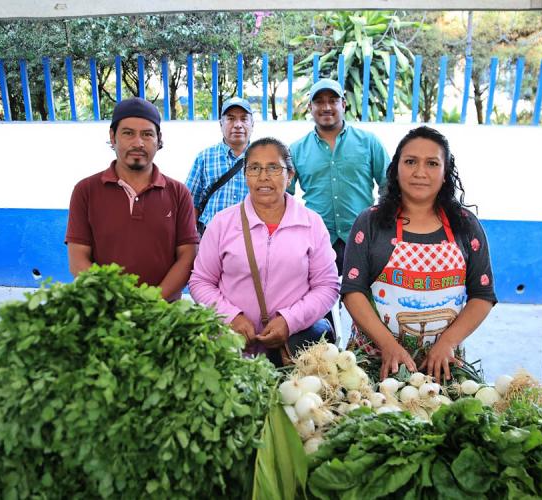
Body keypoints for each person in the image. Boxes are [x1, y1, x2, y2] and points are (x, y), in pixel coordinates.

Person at [341, 126, 497, 382]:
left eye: (432, 163)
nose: (420, 172)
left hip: (443, 368)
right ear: (396, 169)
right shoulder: (370, 222)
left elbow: (482, 295)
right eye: (410, 161)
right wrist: (388, 345)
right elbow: (352, 290)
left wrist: (448, 342)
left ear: (445, 173)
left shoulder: (466, 225)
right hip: (372, 364)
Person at [189, 137, 340, 366]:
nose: (263, 177)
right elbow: (201, 281)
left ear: (290, 175)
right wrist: (231, 317)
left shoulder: (311, 223)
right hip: (231, 351)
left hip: (290, 356)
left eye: (273, 168)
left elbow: (327, 286)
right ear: (245, 176)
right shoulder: (222, 223)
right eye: (254, 168)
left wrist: (290, 321)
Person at [65, 98, 199, 301]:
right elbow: (78, 260)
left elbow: (187, 257)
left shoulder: (179, 193)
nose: (138, 143)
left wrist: (152, 301)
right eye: (128, 133)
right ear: (113, 136)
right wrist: (116, 303)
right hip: (105, 312)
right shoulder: (85, 191)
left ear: (158, 139)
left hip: (165, 313)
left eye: (147, 134)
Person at [289, 78, 390, 274]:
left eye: (333, 100)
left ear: (343, 104)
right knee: (319, 302)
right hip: (316, 240)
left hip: (363, 237)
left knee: (361, 301)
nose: (326, 107)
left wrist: (380, 223)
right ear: (310, 107)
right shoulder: (296, 150)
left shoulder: (369, 142)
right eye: (319, 101)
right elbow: (283, 194)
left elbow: (389, 184)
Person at [186, 97, 254, 235]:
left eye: (244, 119)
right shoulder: (204, 158)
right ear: (220, 124)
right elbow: (190, 203)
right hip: (211, 236)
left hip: (250, 238)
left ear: (252, 124)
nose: (238, 125)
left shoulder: (262, 158)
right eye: (231, 119)